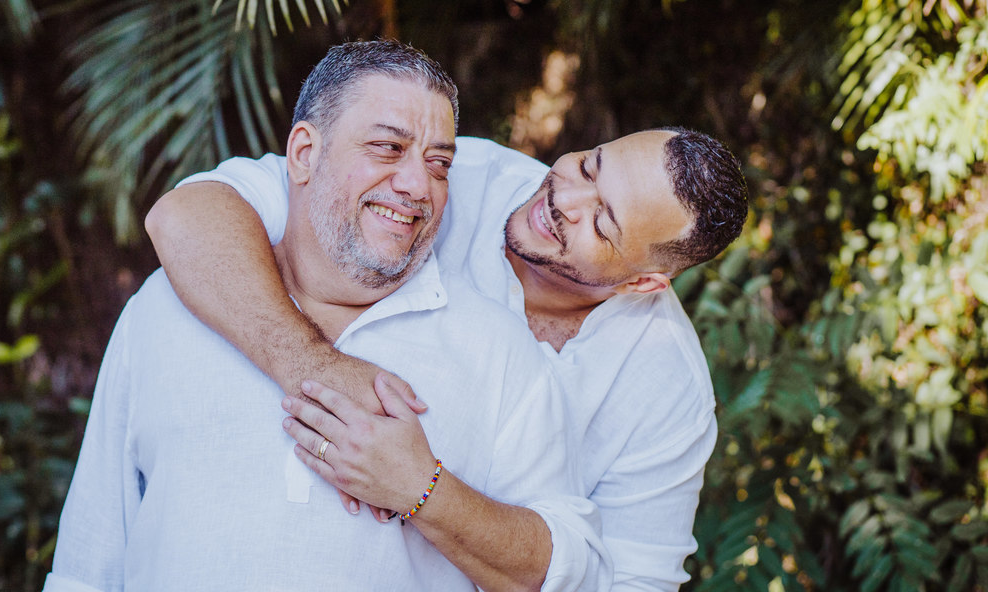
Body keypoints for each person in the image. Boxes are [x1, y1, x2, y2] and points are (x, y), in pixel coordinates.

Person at [45, 40, 608, 592]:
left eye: (438, 164)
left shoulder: (496, 349)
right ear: (304, 154)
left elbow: (567, 571)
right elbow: (87, 565)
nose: (418, 185)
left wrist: (425, 491)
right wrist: (317, 366)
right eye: (388, 148)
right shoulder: (166, 307)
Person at [146, 106, 748, 589]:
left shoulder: (667, 390)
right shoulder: (438, 178)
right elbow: (188, 213)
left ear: (645, 283)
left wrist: (423, 490)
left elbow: (628, 583)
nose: (565, 200)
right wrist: (317, 369)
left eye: (602, 222)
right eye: (589, 168)